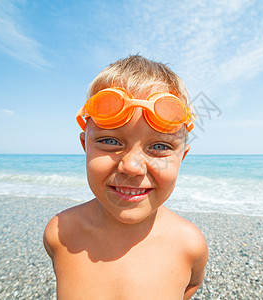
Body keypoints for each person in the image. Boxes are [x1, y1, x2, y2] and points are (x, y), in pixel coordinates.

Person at [43, 55, 208, 300]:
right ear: (84, 146)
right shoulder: (60, 233)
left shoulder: (189, 245)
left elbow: (191, 286)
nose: (131, 167)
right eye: (110, 141)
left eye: (160, 146)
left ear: (182, 156)